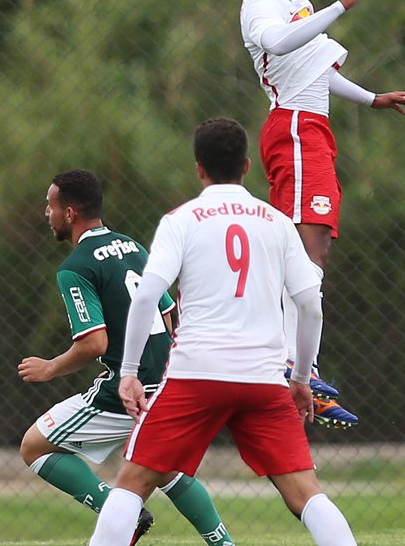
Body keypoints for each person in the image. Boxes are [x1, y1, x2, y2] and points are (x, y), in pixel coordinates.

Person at [89, 117, 359, 546]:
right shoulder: (276, 223)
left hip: (195, 376)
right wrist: (302, 379)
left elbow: (145, 299)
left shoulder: (182, 219)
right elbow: (310, 305)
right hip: (263, 380)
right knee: (306, 493)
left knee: (132, 483)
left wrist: (129, 372)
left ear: (199, 168)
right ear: (248, 165)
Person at [239, 0, 405, 426]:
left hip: (310, 130)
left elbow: (319, 69)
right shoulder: (260, 6)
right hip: (296, 130)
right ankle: (296, 369)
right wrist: (340, 6)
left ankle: (293, 368)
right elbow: (280, 41)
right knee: (309, 248)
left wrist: (372, 97)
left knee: (306, 250)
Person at [18, 169, 235, 546]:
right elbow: (169, 314)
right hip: (167, 381)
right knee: (165, 470)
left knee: (34, 446)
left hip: (125, 388)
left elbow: (94, 344)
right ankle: (224, 543)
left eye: (50, 205)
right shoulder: (133, 247)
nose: (45, 213)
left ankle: (124, 517)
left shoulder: (75, 268)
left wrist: (49, 368)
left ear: (69, 214)